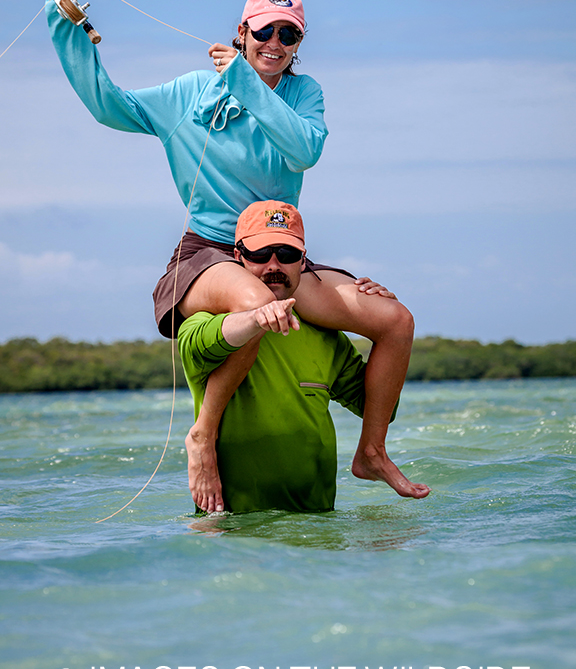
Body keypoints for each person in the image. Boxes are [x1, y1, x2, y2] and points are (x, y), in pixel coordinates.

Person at [45, 0, 415, 510]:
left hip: (281, 252)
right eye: (266, 31)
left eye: (290, 36)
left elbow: (304, 150)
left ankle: (372, 452)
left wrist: (245, 84)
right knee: (259, 307)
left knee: (395, 321)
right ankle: (203, 435)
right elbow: (109, 106)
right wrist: (67, 23)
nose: (276, 44)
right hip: (209, 252)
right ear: (243, 31)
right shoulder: (190, 92)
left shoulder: (303, 94)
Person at [179, 200, 430, 514]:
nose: (274, 266)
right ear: (238, 258)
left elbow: (377, 407)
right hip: (234, 534)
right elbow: (224, 333)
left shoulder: (325, 336)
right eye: (260, 255)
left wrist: (385, 313)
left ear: (303, 262)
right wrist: (257, 317)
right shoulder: (199, 324)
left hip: (319, 534)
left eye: (286, 255)